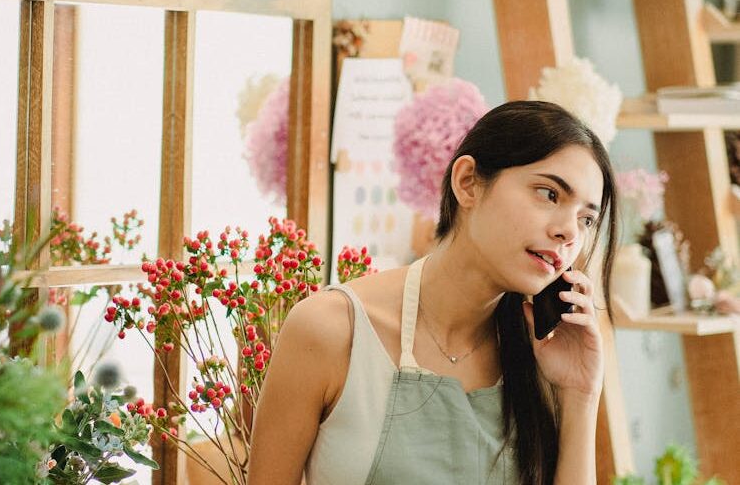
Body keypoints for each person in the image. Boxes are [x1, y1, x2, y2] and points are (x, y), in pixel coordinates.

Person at [247, 101, 618, 485]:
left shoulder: (546, 356)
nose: (570, 233)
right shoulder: (331, 330)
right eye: (549, 194)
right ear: (468, 182)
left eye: (586, 219)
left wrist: (580, 395)